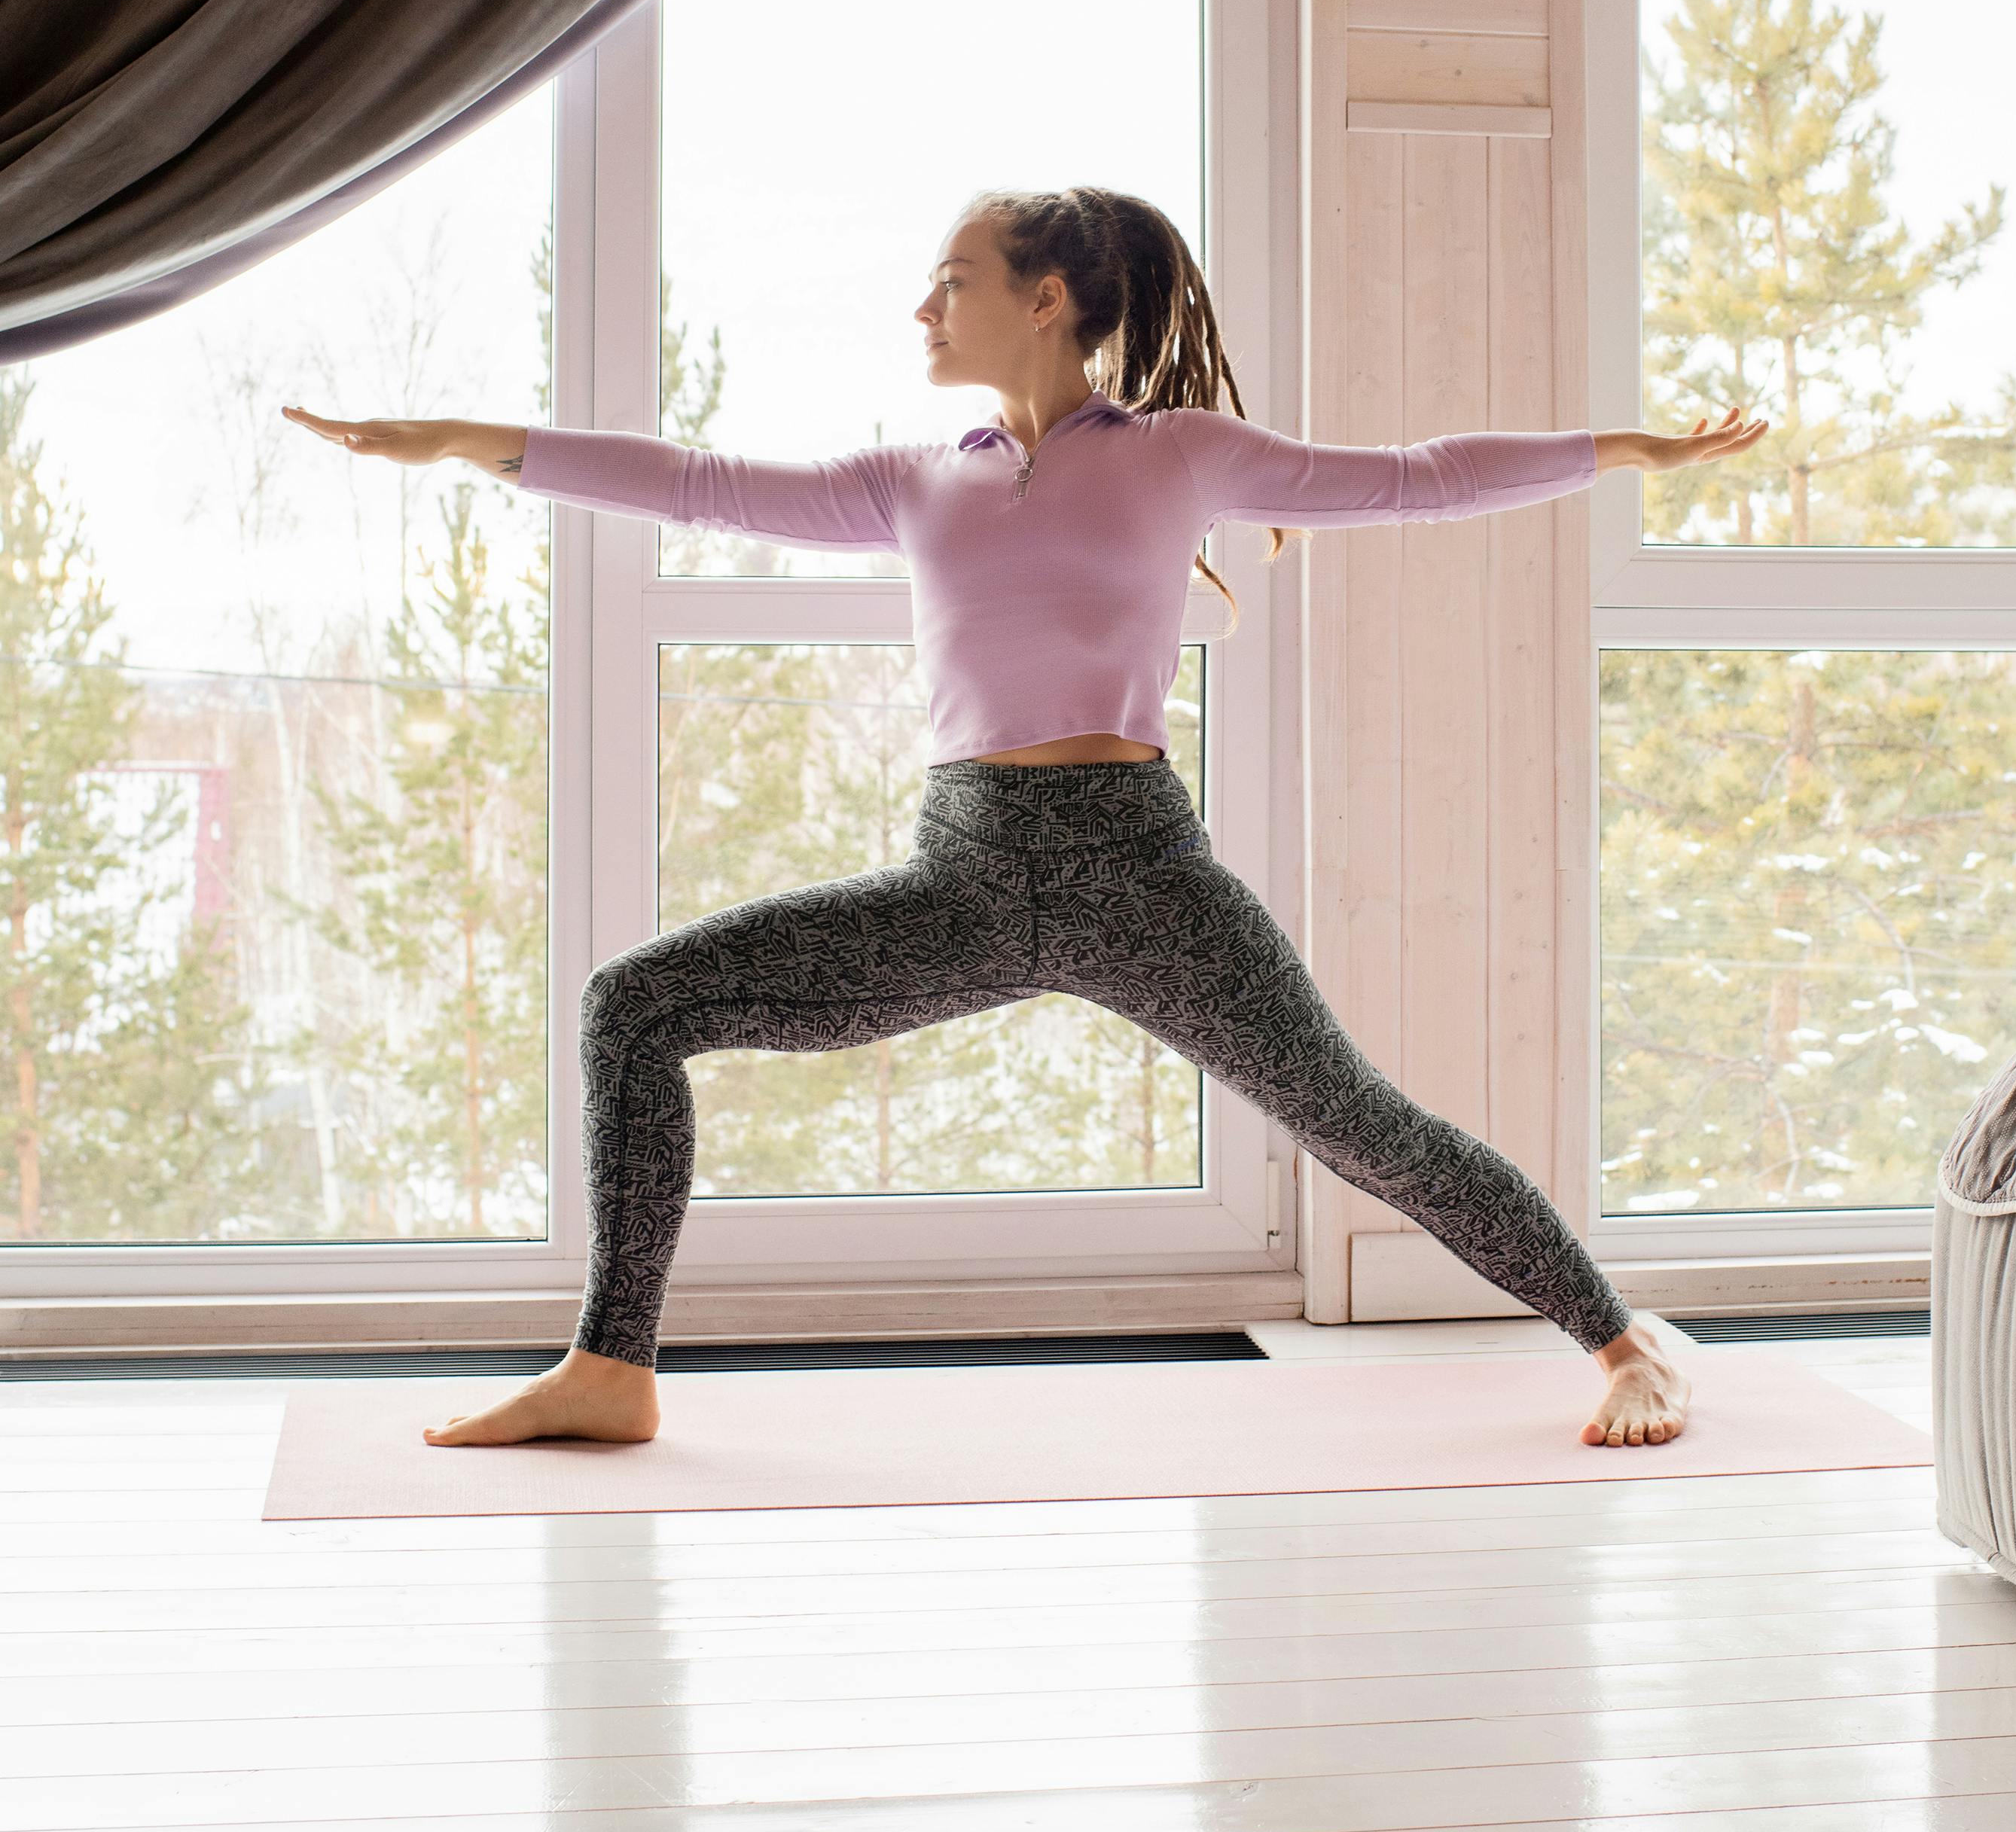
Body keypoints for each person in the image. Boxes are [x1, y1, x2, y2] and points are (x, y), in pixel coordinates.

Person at [287, 185, 1765, 1454]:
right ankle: (611, 1369)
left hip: (1144, 874)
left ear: (1046, 300)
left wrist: (1629, 455)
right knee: (635, 1004)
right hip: (966, 880)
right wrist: (457, 438)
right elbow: (690, 483)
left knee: (1364, 1130)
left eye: (953, 280)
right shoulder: (914, 483)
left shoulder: (1174, 452)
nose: (922, 304)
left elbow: (1413, 483)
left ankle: (1620, 1337)